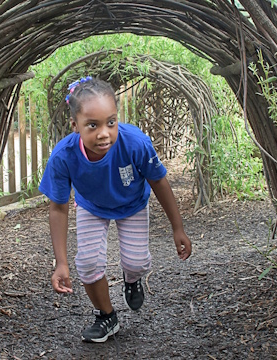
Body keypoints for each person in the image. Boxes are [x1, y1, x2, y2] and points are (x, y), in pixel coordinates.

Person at [39, 76, 192, 343]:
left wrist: (177, 227)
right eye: (92, 125)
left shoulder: (135, 143)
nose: (104, 133)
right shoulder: (63, 156)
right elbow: (59, 209)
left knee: (137, 262)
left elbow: (159, 181)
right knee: (86, 263)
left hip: (132, 204)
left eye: (111, 122)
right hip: (92, 206)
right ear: (75, 125)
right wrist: (61, 263)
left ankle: (132, 279)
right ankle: (106, 316)